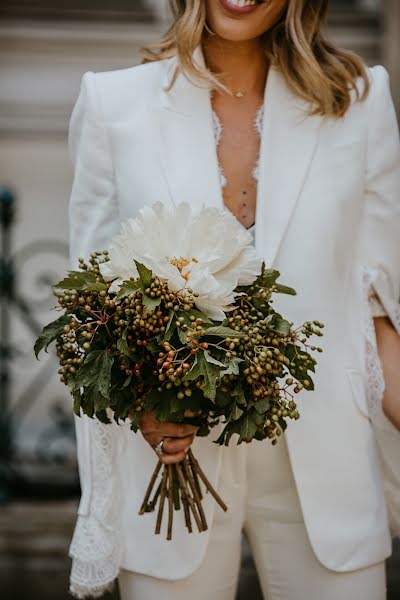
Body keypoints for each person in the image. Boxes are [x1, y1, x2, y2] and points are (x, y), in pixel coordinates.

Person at [67, 1, 400, 599]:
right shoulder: (113, 104)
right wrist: (143, 397)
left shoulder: (361, 99)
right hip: (171, 464)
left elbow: (378, 304)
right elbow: (91, 309)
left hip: (328, 469)